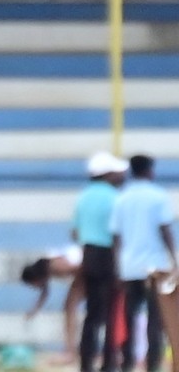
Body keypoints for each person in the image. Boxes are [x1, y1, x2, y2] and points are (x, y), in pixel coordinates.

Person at [112, 155, 176, 372]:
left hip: (129, 267)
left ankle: (128, 363)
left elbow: (116, 237)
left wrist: (117, 267)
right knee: (156, 319)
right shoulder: (158, 196)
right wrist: (173, 259)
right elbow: (165, 230)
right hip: (155, 266)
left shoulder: (121, 198)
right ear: (149, 170)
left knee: (129, 317)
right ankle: (152, 364)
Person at [74, 152, 128, 372]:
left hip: (88, 254)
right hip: (108, 256)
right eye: (117, 172)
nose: (121, 175)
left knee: (92, 313)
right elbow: (118, 235)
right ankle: (108, 363)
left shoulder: (83, 196)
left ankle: (86, 363)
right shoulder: (115, 197)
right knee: (111, 312)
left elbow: (75, 232)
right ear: (107, 174)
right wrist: (119, 266)